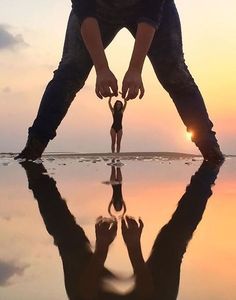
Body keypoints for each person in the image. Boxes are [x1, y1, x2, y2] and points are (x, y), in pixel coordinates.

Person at [15, 0, 224, 162]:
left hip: (150, 7)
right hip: (97, 9)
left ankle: (210, 151)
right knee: (70, 70)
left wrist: (135, 69)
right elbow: (85, 11)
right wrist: (101, 68)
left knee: (175, 74)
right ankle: (33, 148)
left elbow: (151, 12)